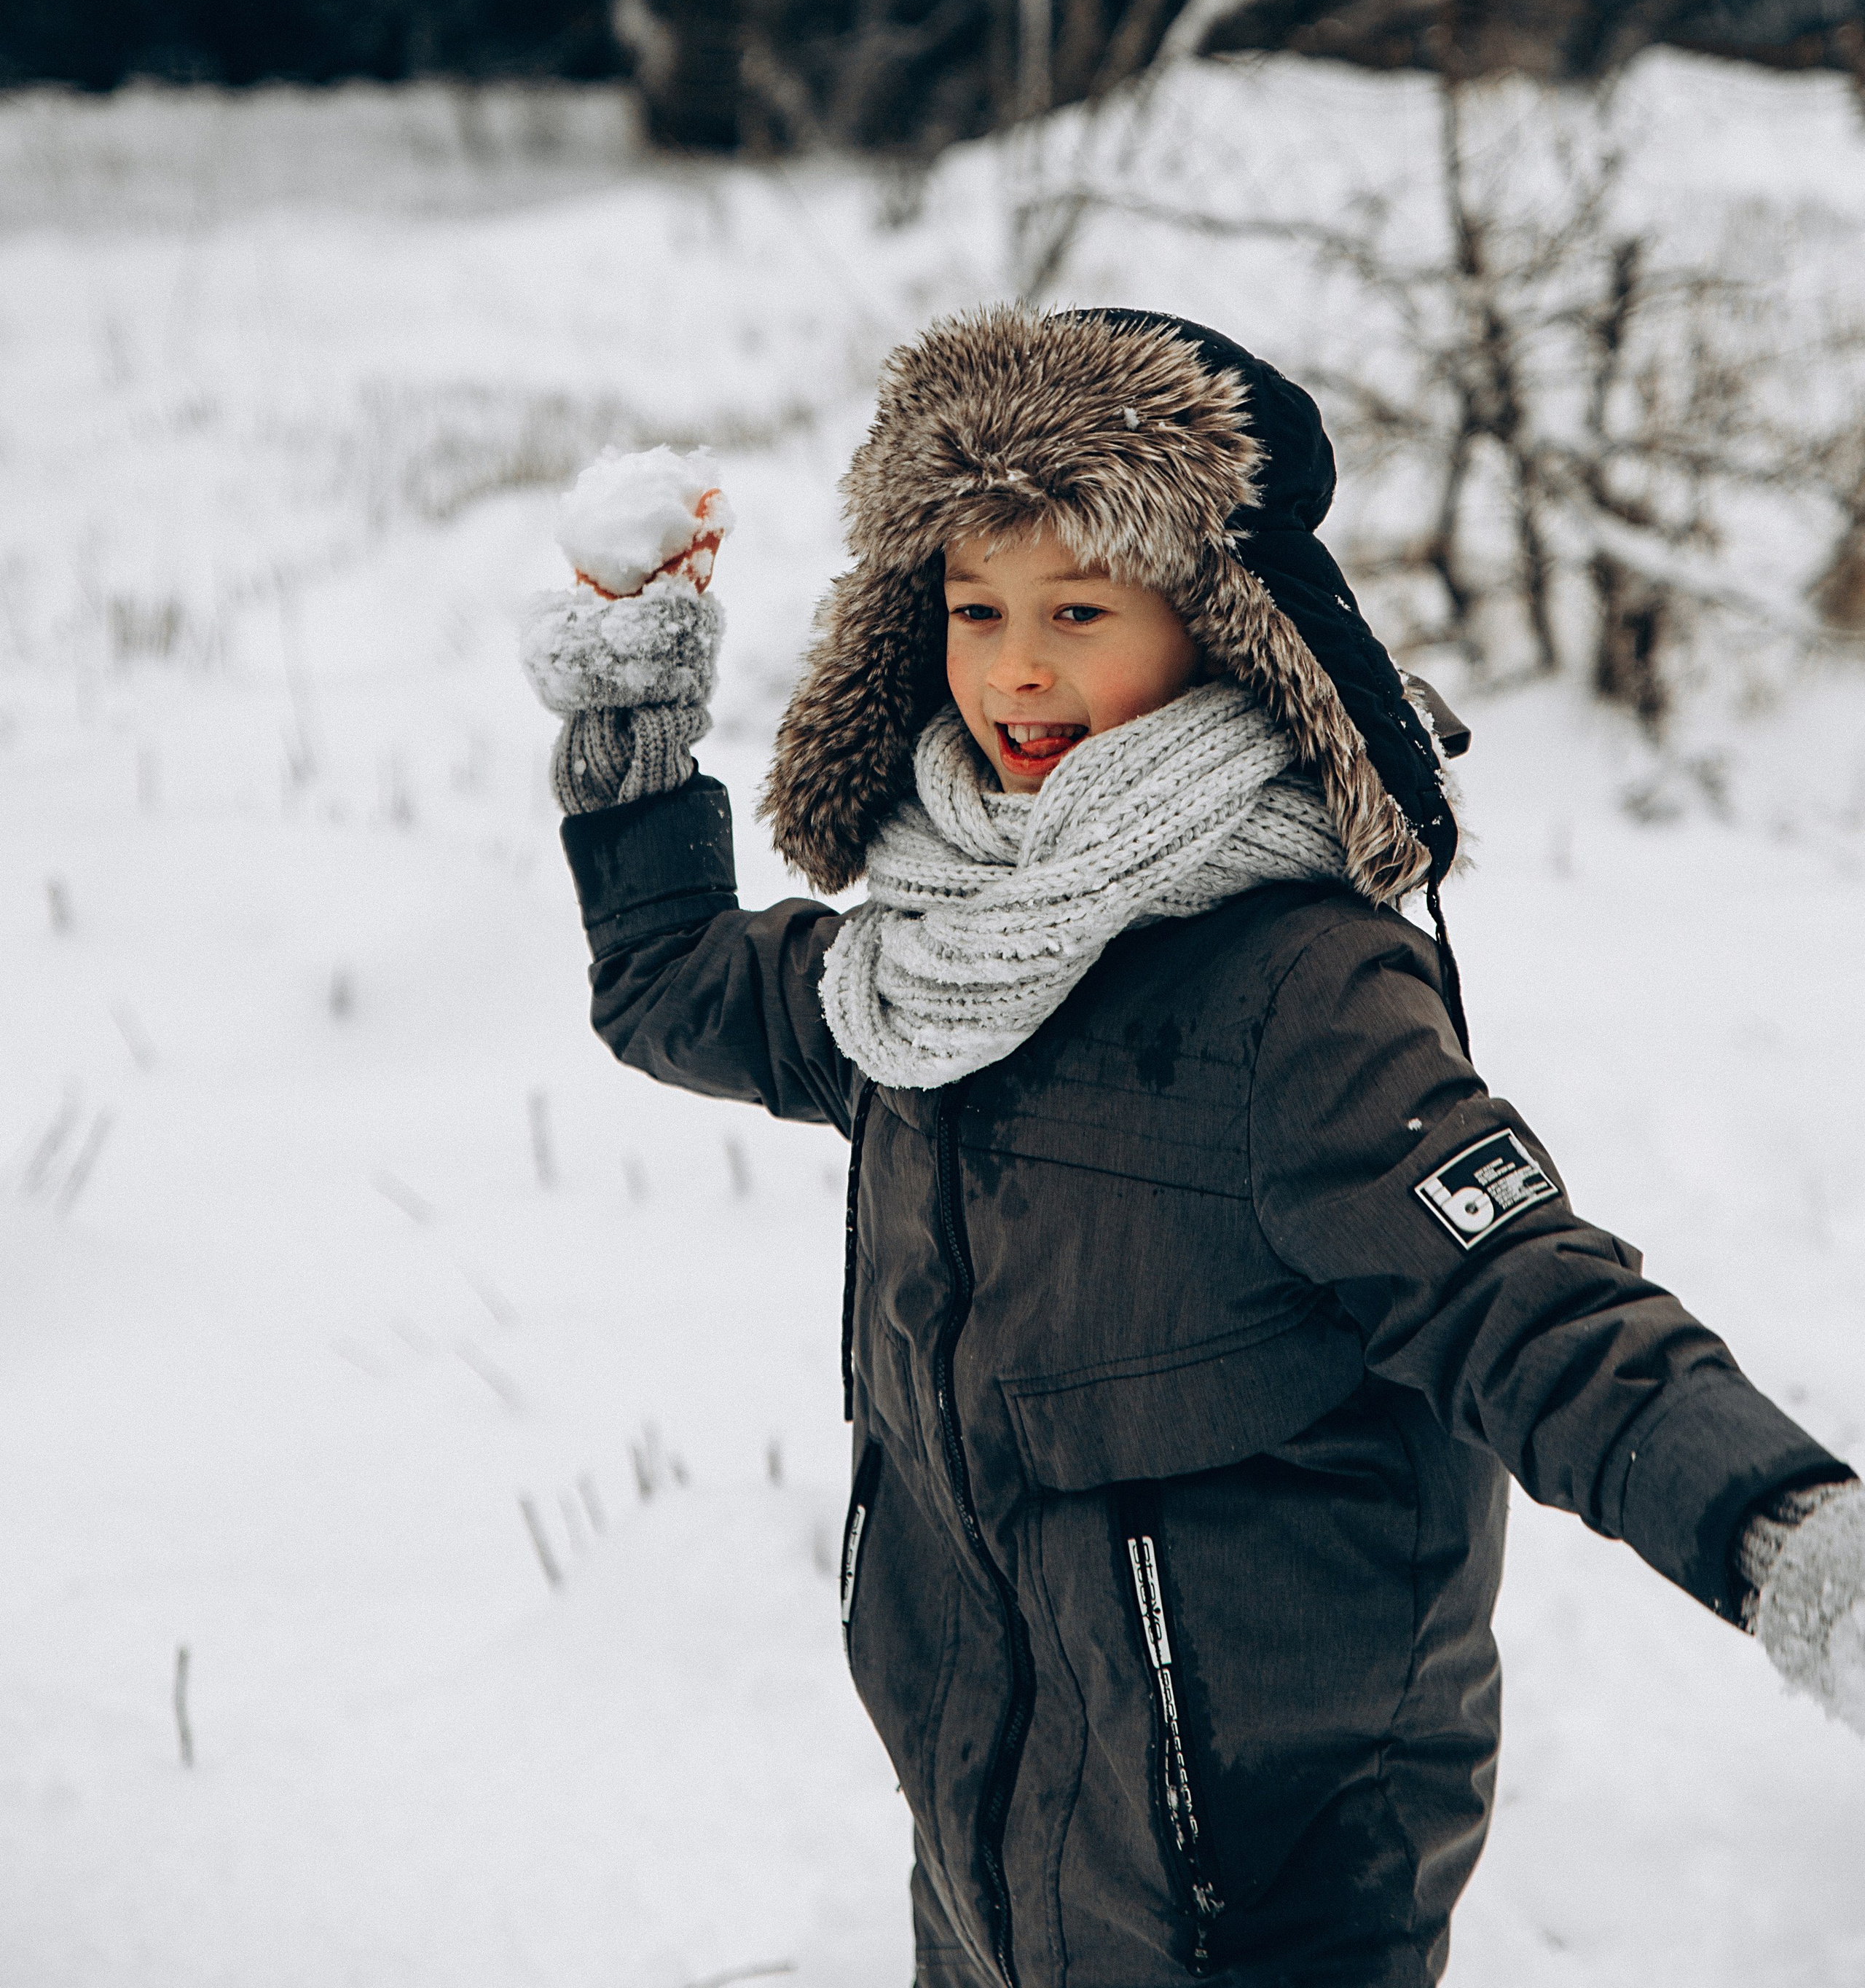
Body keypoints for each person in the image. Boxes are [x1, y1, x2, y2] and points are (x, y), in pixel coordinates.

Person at [522, 304, 1865, 1988]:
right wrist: (636, 715)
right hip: (989, 1789)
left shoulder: (1299, 990)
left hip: (1258, 1850)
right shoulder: (925, 960)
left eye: (1078, 613)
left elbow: (1526, 1300)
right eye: (973, 610)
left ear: (1216, 629)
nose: (1016, 669)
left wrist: (1790, 1541)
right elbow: (668, 989)